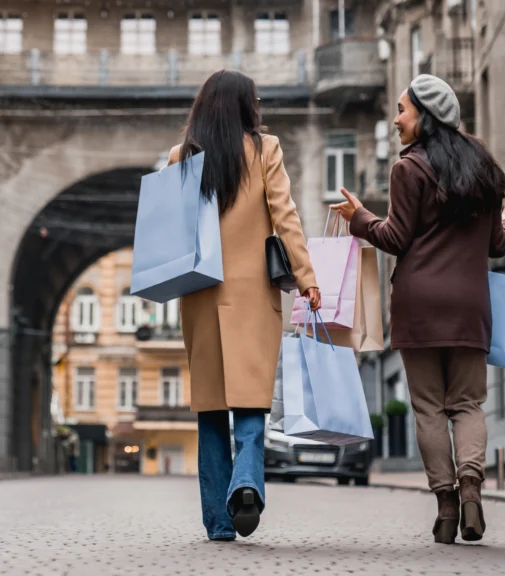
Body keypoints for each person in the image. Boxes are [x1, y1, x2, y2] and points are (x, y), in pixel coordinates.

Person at [331, 74, 505, 544]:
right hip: (469, 304)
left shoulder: (409, 169)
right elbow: (492, 245)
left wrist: (360, 218)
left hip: (419, 304)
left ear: (425, 114)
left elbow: (395, 238)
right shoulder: (484, 167)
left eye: (402, 109)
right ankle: (470, 493)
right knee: (467, 403)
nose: (395, 118)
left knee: (427, 408)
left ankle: (445, 510)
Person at [169, 70, 320, 541]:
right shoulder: (265, 149)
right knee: (251, 400)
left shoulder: (183, 157)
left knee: (211, 408)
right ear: (243, 106)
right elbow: (285, 217)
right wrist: (307, 278)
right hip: (253, 294)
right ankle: (248, 483)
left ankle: (218, 522)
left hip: (199, 295)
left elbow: (172, 233)